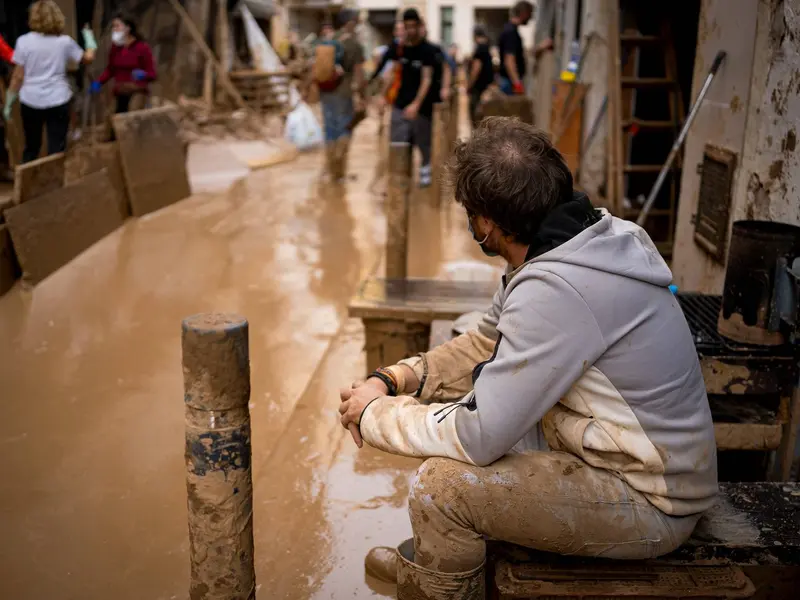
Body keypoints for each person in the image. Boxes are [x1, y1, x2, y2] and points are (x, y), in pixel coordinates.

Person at [338, 118, 718, 598]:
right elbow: (484, 341)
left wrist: (374, 417)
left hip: (650, 499)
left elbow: (477, 436)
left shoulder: (556, 290)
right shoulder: (586, 239)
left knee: (441, 487)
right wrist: (393, 379)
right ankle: (440, 564)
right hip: (624, 456)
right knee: (496, 412)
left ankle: (435, 584)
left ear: (486, 223)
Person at [3, 0, 97, 163]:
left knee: (32, 146)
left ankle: (29, 184)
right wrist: (89, 39)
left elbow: (18, 76)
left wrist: (9, 102)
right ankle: (55, 186)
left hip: (31, 100)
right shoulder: (64, 42)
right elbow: (87, 58)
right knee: (57, 148)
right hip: (58, 99)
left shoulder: (23, 42)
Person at [372, 10, 442, 188]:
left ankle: (425, 176)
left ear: (419, 27)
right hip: (400, 105)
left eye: (413, 26)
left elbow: (427, 79)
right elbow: (392, 74)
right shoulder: (399, 48)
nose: (410, 30)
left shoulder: (428, 50)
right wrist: (382, 97)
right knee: (398, 145)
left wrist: (416, 105)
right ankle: (401, 182)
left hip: (422, 109)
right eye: (407, 26)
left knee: (423, 145)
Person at [317, 10, 365, 182]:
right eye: (357, 22)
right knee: (345, 130)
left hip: (325, 92)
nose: (358, 25)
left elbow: (316, 67)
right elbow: (359, 74)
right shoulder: (354, 44)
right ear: (350, 23)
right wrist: (362, 96)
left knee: (330, 130)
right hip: (344, 93)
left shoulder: (328, 40)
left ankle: (330, 171)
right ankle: (340, 173)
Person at [91, 16, 156, 116]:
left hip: (136, 93)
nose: (114, 29)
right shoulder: (115, 48)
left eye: (117, 26)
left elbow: (153, 74)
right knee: (114, 120)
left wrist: (144, 75)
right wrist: (99, 82)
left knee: (132, 120)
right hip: (119, 92)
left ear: (127, 28)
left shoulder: (142, 48)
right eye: (113, 27)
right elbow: (111, 69)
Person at [498, 1, 533, 95]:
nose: (531, 18)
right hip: (510, 83)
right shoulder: (511, 32)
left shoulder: (511, 30)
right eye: (530, 14)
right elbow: (509, 60)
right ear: (524, 13)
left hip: (509, 82)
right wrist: (517, 84)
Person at [467, 26, 494, 127]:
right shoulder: (486, 47)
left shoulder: (480, 48)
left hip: (478, 88)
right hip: (485, 87)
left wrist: (469, 85)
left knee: (476, 116)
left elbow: (476, 68)